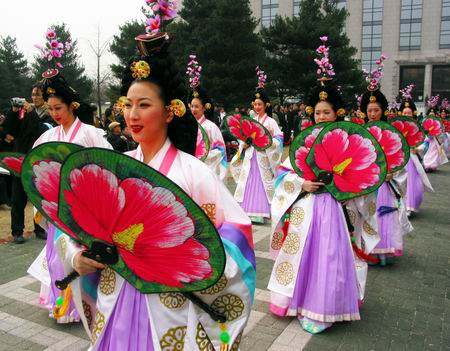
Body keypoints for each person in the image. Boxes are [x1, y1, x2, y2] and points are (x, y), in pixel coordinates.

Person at [57, 25, 255, 350]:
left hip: (171, 307)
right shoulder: (113, 168)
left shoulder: (194, 173)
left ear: (170, 111)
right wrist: (78, 255)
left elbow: (235, 235)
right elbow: (78, 225)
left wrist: (186, 262)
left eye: (144, 105)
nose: (132, 115)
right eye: (128, 104)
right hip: (117, 297)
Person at [268, 37, 361, 334]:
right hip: (306, 205)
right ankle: (295, 302)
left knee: (328, 257)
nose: (321, 116)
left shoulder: (347, 140)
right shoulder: (304, 140)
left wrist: (345, 188)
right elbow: (284, 173)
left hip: (331, 206)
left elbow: (358, 176)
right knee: (300, 255)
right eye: (317, 112)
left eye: (326, 112)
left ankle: (323, 308)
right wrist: (301, 182)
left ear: (337, 114)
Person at [28, 59, 112, 323]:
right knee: (57, 255)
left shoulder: (90, 134)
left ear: (72, 105)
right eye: (51, 108)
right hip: (57, 208)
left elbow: (107, 167)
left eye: (59, 108)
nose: (55, 113)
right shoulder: (48, 137)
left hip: (83, 208)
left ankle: (80, 306)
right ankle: (60, 304)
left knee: (79, 255)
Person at [360, 58, 413, 265]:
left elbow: (399, 159)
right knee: (366, 216)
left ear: (383, 110)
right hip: (366, 183)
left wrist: (392, 173)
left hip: (385, 183)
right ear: (364, 110)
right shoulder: (360, 132)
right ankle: (368, 251)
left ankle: (384, 252)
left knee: (383, 216)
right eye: (369, 110)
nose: (372, 113)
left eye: (376, 110)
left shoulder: (391, 132)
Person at [230, 67, 283, 224]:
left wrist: (267, 143)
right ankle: (246, 211)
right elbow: (244, 137)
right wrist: (244, 144)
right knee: (247, 181)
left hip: (263, 158)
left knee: (262, 182)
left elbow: (279, 139)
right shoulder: (251, 120)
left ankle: (262, 212)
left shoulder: (271, 121)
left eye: (260, 104)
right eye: (255, 104)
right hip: (251, 156)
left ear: (266, 105)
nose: (257, 107)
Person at [1, 85, 49, 243]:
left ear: (45, 96)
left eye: (38, 94)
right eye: (33, 94)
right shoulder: (23, 112)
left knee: (38, 197)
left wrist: (31, 113)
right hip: (20, 159)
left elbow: (41, 131)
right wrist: (13, 112)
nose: (34, 98)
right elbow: (9, 129)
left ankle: (40, 228)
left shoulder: (49, 113)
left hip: (39, 160)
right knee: (17, 198)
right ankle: (17, 231)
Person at [187, 55, 228, 181]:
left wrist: (203, 156)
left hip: (207, 169)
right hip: (190, 168)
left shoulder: (210, 127)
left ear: (204, 108)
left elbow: (220, 149)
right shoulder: (188, 125)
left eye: (197, 107)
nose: (193, 109)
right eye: (192, 106)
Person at [398, 86, 434, 215]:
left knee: (414, 184)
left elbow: (425, 144)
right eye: (404, 112)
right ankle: (403, 207)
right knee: (401, 183)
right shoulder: (396, 127)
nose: (406, 114)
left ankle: (411, 205)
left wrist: (417, 149)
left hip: (413, 160)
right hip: (401, 160)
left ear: (413, 113)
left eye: (408, 112)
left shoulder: (419, 127)